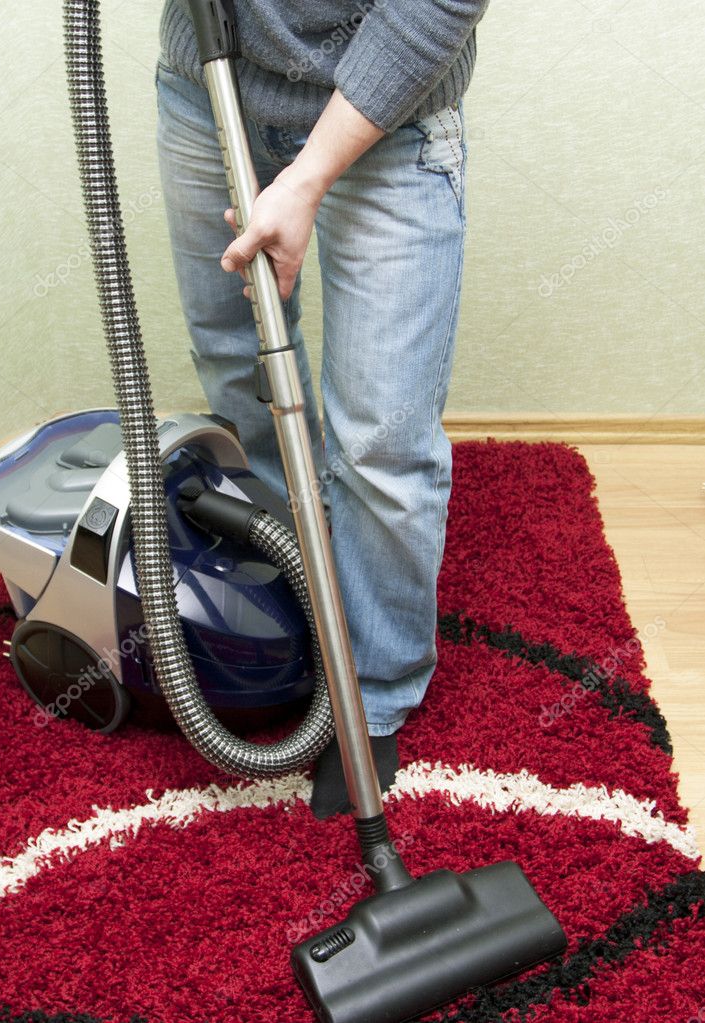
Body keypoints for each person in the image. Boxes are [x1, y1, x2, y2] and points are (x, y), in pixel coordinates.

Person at [155, 0, 489, 817]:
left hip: (393, 106)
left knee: (381, 434)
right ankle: (293, 611)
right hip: (212, 85)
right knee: (239, 370)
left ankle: (370, 695)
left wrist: (306, 178)